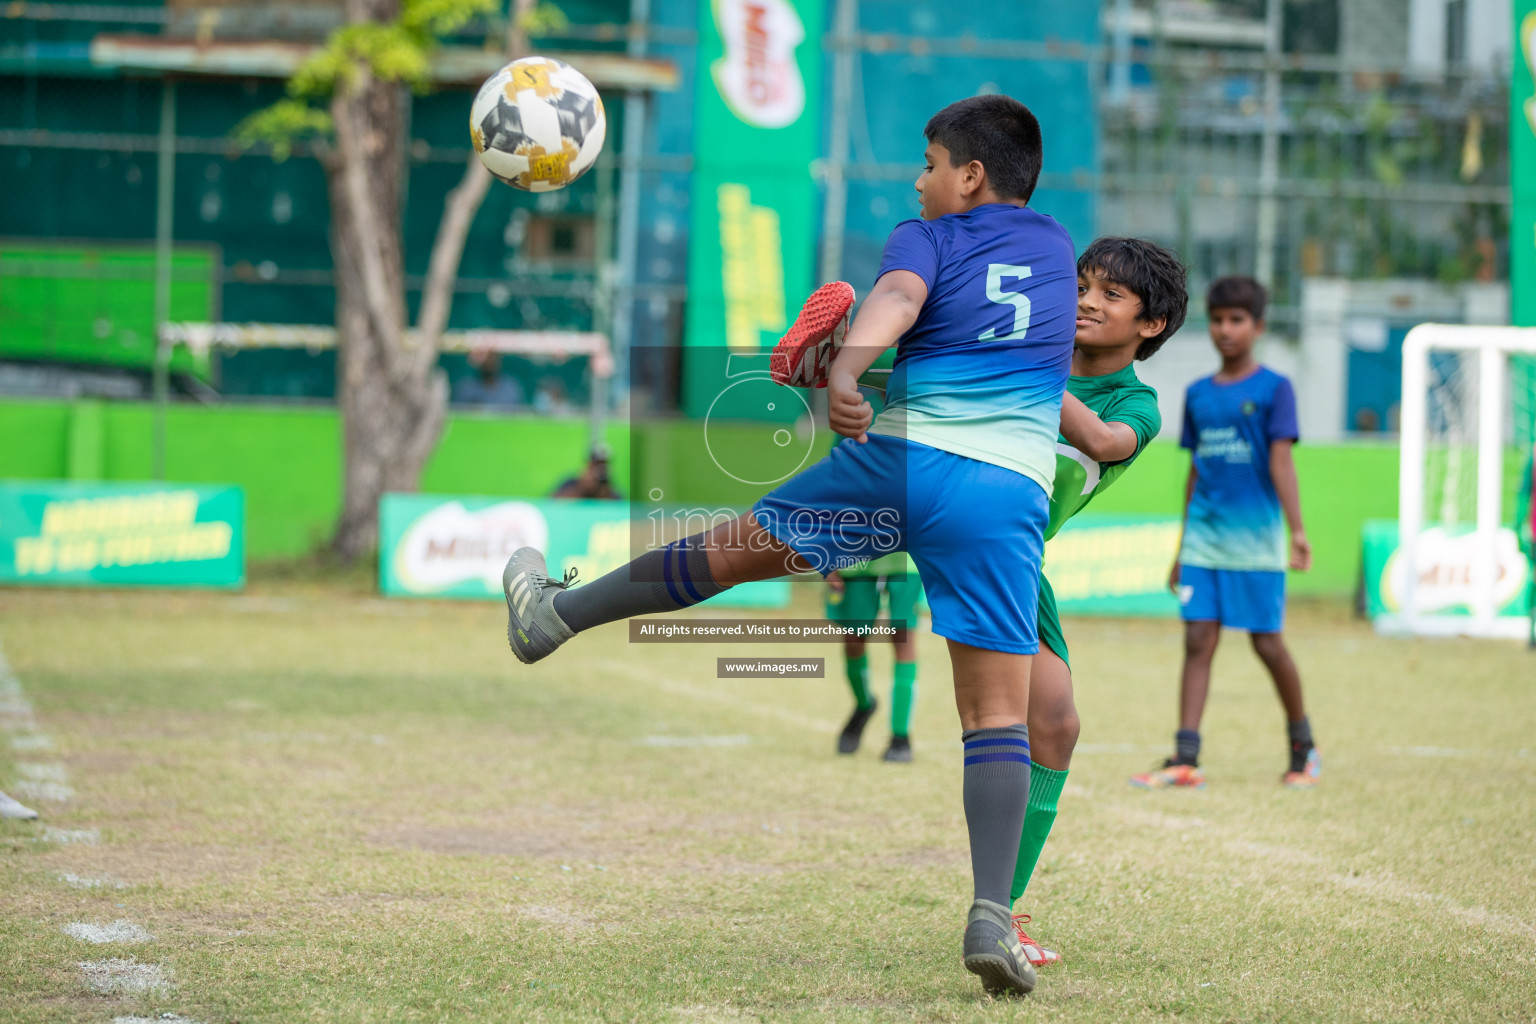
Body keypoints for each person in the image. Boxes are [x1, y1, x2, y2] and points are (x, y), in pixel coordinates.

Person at [502, 94, 1074, 996]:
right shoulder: (1054, 254)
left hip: (908, 460)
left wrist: (845, 365)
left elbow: (899, 296)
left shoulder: (926, 235)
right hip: (1007, 491)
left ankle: (554, 617)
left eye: (929, 163)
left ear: (969, 177)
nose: (918, 179)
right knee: (995, 719)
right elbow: (1014, 362)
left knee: (722, 555)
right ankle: (991, 917)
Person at [1005, 236, 1185, 967]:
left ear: (1151, 326)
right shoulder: (1021, 342)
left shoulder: (1135, 405)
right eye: (1083, 285)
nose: (1086, 300)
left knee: (1054, 725)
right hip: (940, 521)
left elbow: (1108, 443)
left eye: (1112, 295)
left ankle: (998, 912)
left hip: (1011, 558)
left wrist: (1029, 374)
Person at [1131, 275, 1319, 791]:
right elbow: (1196, 474)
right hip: (1204, 542)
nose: (1225, 329)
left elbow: (1282, 462)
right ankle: (1185, 756)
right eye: (1217, 320)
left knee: (1267, 643)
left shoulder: (1275, 390)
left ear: (1258, 326)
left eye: (1236, 320)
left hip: (1256, 541)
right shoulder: (1197, 395)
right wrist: (1180, 547)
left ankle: (1303, 749)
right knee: (1198, 639)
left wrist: (1297, 531)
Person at [825, 555, 922, 762]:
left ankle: (900, 736)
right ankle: (864, 704)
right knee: (853, 640)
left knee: (903, 638)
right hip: (856, 558)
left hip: (906, 559)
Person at [553, 444, 620, 500]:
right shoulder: (572, 482)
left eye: (603, 465)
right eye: (596, 464)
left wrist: (604, 491)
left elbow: (620, 509)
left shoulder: (610, 487)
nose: (599, 470)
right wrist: (581, 488)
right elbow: (550, 504)